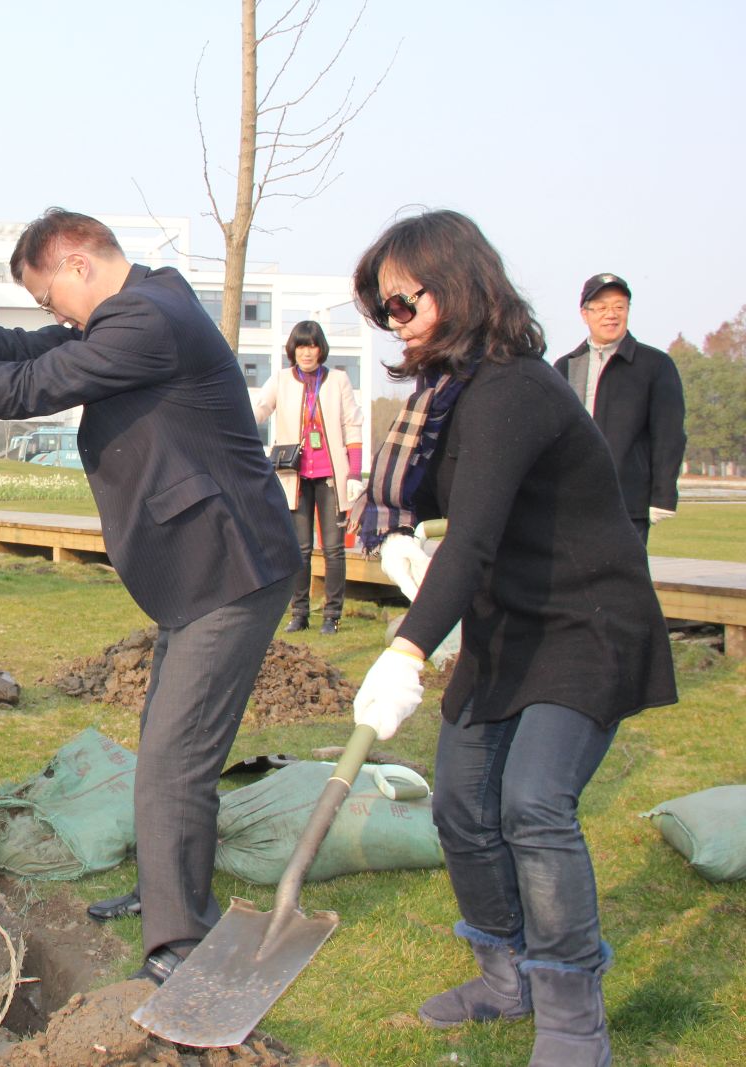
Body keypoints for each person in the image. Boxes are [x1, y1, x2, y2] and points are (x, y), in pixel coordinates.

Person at [0, 208, 300, 984]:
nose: (54, 315)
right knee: (168, 744)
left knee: (175, 758)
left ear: (78, 264)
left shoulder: (147, 317)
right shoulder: (142, 304)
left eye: (50, 297)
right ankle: (167, 890)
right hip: (206, 566)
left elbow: (28, 387)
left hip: (231, 566)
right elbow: (29, 351)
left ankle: (180, 944)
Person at [348, 211, 676, 1067]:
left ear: (457, 287)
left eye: (404, 303)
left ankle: (572, 1016)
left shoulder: (514, 390)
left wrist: (406, 650)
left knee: (534, 803)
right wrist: (396, 532)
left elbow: (476, 536)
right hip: (510, 622)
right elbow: (434, 497)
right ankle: (505, 977)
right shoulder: (448, 396)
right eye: (383, 309)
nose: (394, 322)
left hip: (586, 623)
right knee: (461, 802)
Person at [553, 273, 686, 545]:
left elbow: (669, 435)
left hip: (628, 500)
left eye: (618, 306)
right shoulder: (566, 366)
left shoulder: (655, 365)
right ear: (585, 314)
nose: (610, 315)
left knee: (624, 572)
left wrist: (663, 496)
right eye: (601, 307)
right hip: (573, 498)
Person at [252, 320, 363, 634]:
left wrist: (354, 473)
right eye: (301, 346)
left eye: (312, 346)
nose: (306, 352)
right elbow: (259, 409)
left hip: (331, 477)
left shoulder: (338, 380)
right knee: (299, 548)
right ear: (293, 350)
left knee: (333, 549)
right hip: (295, 476)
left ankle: (332, 615)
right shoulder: (282, 379)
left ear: (320, 349)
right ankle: (299, 613)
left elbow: (352, 426)